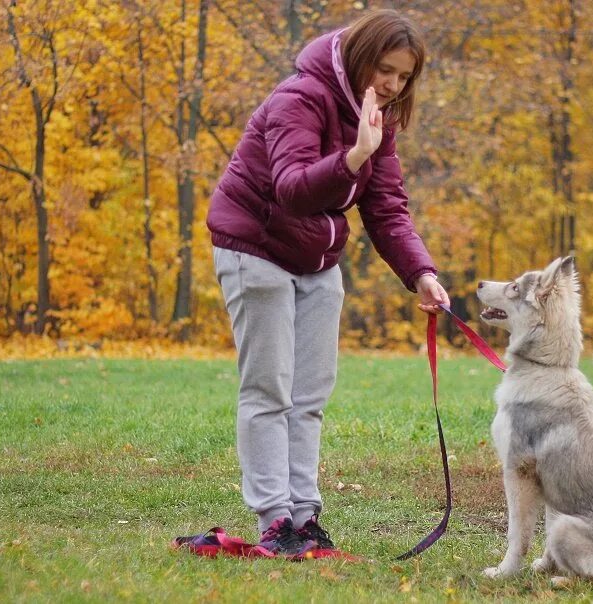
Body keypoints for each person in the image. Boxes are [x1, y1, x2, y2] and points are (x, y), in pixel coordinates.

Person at [205, 9, 449, 556]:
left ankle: (304, 517)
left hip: (316, 257)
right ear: (360, 56)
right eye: (385, 70)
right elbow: (292, 189)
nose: (392, 85)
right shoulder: (300, 97)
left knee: (310, 392)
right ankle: (275, 520)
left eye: (404, 76)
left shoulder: (377, 118)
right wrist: (355, 153)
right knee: (270, 389)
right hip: (256, 246)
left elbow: (386, 208)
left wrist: (421, 273)